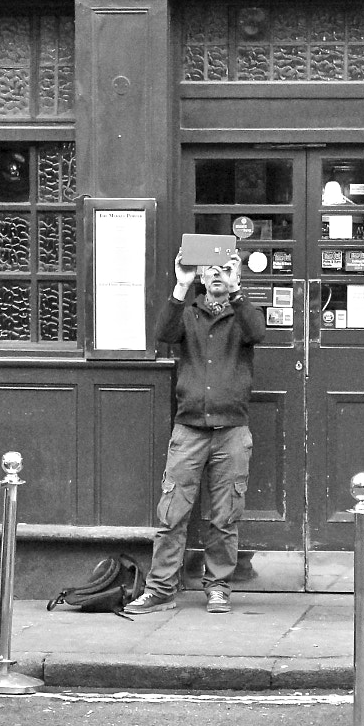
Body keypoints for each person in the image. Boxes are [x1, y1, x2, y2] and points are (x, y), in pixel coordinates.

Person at [125, 249, 268, 615]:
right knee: (172, 513)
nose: (218, 275)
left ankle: (218, 586)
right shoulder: (187, 313)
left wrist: (238, 291)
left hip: (232, 430)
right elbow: (163, 333)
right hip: (189, 428)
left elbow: (258, 333)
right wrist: (181, 284)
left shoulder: (242, 315)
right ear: (202, 277)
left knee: (225, 516)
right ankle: (161, 589)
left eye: (225, 270)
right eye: (211, 270)